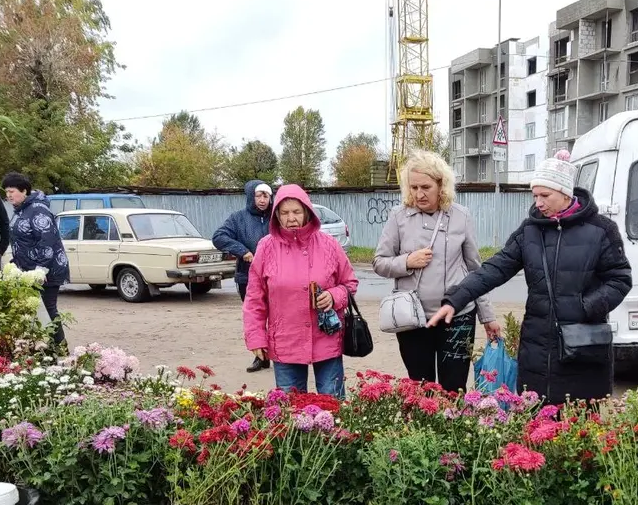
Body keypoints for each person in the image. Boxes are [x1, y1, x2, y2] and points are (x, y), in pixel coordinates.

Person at [428, 150, 632, 404]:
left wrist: (586, 306)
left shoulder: (601, 230)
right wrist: (455, 299)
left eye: (545, 195)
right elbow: (495, 268)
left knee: (579, 427)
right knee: (537, 421)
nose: (538, 202)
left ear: (566, 193)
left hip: (582, 343)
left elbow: (619, 279)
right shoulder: (530, 230)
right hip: (537, 344)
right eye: (535, 195)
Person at [373, 150, 501, 393]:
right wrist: (407, 261)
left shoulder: (461, 216)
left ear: (441, 185)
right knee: (421, 389)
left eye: (425, 187)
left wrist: (487, 316)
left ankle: (453, 431)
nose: (418, 194)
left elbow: (475, 270)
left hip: (458, 316)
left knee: (454, 389)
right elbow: (379, 262)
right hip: (413, 320)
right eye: (413, 187)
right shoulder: (398, 217)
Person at [243, 184, 359, 398]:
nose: (291, 218)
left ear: (307, 212)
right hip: (286, 342)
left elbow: (350, 283)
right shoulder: (266, 247)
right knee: (291, 411)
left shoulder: (329, 245)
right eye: (285, 212)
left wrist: (334, 296)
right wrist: (256, 338)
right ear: (276, 214)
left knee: (333, 405)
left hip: (326, 339)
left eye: (296, 211)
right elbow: (254, 298)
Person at [1, 172, 70, 348]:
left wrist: (41, 269)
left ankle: (60, 349)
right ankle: (44, 349)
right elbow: (22, 240)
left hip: (47, 270)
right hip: (29, 269)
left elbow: (47, 240)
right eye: (6, 192)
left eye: (12, 191)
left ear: (24, 191)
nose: (8, 195)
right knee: (34, 311)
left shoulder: (38, 210)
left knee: (48, 309)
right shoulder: (21, 210)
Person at [212, 180, 274, 373]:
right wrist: (243, 251)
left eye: (266, 196)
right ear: (250, 197)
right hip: (247, 277)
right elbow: (219, 237)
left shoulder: (277, 217)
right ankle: (260, 357)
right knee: (255, 318)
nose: (263, 200)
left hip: (275, 277)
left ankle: (277, 355)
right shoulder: (238, 218)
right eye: (258, 196)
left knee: (276, 317)